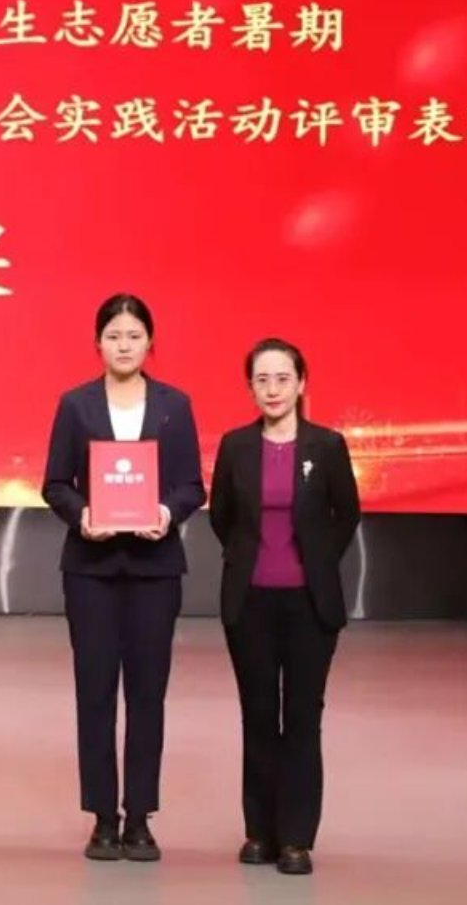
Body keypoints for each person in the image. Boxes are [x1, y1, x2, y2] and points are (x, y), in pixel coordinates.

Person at [41, 293, 206, 861]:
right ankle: (101, 818)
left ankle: (139, 816)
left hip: (154, 569)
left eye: (134, 336)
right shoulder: (76, 404)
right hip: (90, 569)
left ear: (150, 342)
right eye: (113, 336)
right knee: (94, 692)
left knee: (147, 694)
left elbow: (191, 486)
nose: (124, 345)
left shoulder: (174, 405)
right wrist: (82, 515)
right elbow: (55, 483)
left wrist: (166, 512)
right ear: (98, 343)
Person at [208, 337, 361, 876]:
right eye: (262, 380)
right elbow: (222, 517)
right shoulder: (235, 446)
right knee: (257, 715)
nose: (272, 389)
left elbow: (347, 513)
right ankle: (259, 832)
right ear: (250, 387)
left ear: (301, 384)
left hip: (309, 605)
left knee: (301, 718)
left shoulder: (328, 446)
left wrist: (315, 560)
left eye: (282, 379)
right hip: (249, 602)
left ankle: (296, 838)